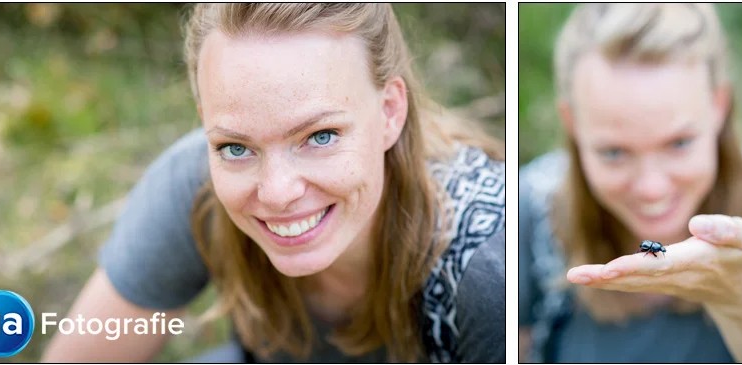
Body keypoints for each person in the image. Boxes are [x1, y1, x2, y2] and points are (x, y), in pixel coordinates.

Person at [41, 3, 506, 363]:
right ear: (207, 126)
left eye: (320, 136)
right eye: (236, 147)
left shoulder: (484, 268)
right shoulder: (196, 188)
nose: (277, 193)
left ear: (390, 112)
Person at [519, 3, 742, 363]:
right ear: (572, 124)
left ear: (718, 106)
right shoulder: (532, 209)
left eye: (679, 143)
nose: (652, 189)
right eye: (614, 152)